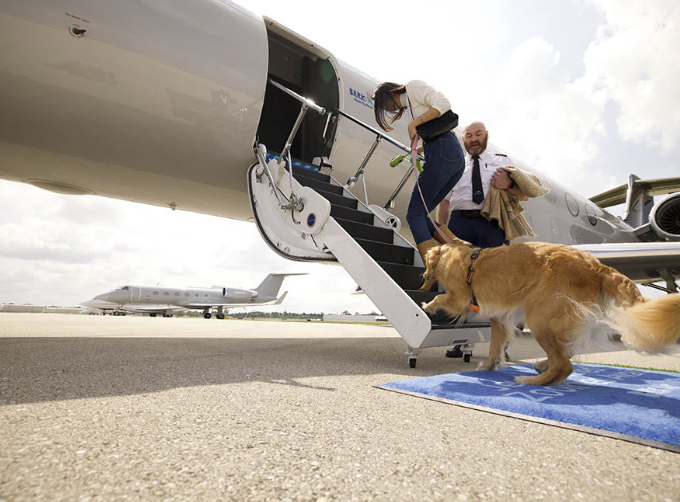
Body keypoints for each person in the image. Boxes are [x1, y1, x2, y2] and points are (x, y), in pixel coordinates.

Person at [436, 121, 528, 358]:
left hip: (491, 225)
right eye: (468, 135)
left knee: (497, 285)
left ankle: (500, 345)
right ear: (463, 139)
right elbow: (444, 202)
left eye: (478, 134)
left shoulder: (502, 160)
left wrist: (507, 184)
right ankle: (458, 340)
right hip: (459, 224)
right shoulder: (454, 165)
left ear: (486, 136)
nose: (473, 139)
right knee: (459, 284)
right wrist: (443, 234)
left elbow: (524, 194)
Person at [371, 81, 464, 266]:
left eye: (385, 104)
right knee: (423, 215)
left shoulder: (413, 87)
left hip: (443, 152)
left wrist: (415, 123)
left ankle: (433, 270)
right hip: (451, 155)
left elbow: (443, 104)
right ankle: (463, 252)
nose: (388, 109)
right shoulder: (412, 105)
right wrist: (421, 148)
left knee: (414, 214)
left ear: (389, 93)